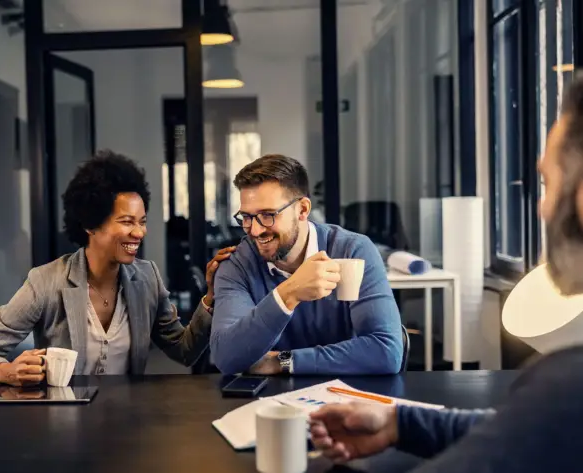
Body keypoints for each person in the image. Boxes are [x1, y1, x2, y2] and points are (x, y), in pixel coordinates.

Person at [308, 76, 583, 472]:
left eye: (548, 183)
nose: (541, 207)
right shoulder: (556, 406)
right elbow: (516, 432)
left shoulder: (566, 389)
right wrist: (400, 422)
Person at [0, 150, 234, 385]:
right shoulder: (46, 282)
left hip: (128, 427)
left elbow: (184, 350)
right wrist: (5, 371)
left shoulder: (147, 277)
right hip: (65, 426)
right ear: (90, 224)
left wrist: (210, 297)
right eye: (127, 222)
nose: (139, 233)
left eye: (142, 221)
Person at [210, 154, 403, 375]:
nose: (255, 230)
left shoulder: (352, 250)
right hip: (267, 401)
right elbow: (226, 357)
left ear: (302, 209)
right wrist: (288, 294)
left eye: (267, 215)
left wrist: (282, 362)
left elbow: (386, 352)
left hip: (346, 398)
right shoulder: (237, 264)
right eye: (247, 217)